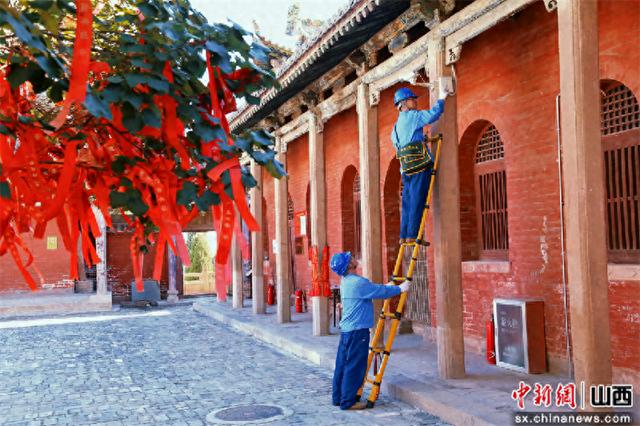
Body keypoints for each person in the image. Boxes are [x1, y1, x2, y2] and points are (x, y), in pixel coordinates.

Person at [330, 251, 410, 410]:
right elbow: (378, 292)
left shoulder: (346, 281)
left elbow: (372, 289)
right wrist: (400, 289)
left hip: (347, 330)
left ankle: (338, 397)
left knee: (342, 364)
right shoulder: (358, 283)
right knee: (355, 366)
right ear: (349, 265)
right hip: (357, 332)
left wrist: (386, 286)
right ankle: (348, 402)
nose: (353, 258)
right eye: (351, 259)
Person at [392, 85, 449, 244]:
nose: (415, 102)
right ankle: (413, 235)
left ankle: (404, 236)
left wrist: (419, 139)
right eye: (412, 99)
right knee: (418, 199)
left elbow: (401, 143)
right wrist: (442, 98)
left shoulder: (395, 127)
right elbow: (433, 115)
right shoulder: (413, 116)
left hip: (405, 168)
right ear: (403, 104)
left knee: (407, 200)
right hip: (419, 165)